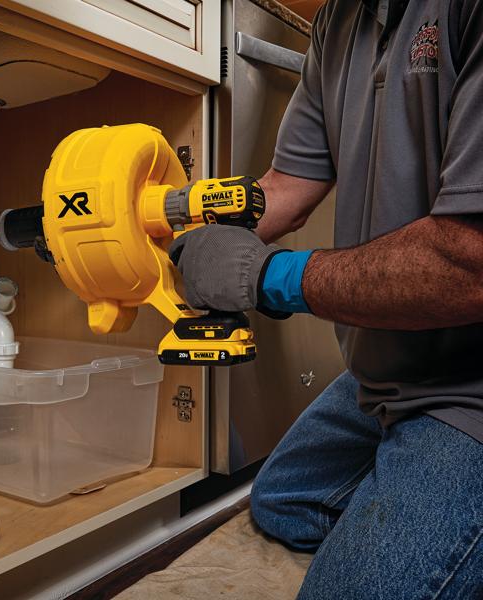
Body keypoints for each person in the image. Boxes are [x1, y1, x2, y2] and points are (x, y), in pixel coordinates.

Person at [168, 1, 483, 597]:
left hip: (472, 384)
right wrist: (173, 240)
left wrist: (268, 276)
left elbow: (470, 261)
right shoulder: (338, 21)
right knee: (282, 501)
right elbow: (286, 186)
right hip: (395, 366)